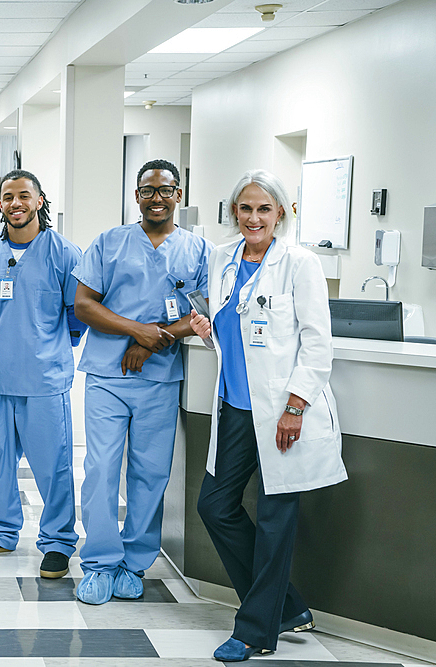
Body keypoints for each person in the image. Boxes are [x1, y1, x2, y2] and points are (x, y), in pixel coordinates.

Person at [188, 169, 347, 661]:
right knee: (215, 506)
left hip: (282, 411)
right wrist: (206, 329)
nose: (253, 218)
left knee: (277, 520)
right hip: (235, 407)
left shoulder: (300, 264)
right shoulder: (221, 258)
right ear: (233, 212)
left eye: (264, 208)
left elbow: (318, 345)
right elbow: (238, 337)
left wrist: (296, 405)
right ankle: (287, 606)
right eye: (245, 208)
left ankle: (256, 630)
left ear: (281, 214)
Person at [72, 159, 212, 605]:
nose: (157, 198)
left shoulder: (198, 250)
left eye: (166, 190)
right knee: (101, 470)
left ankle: (135, 562)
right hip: (107, 377)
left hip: (160, 379)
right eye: (148, 191)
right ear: (136, 196)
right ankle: (98, 563)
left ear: (179, 194)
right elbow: (84, 306)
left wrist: (155, 340)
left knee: (151, 474)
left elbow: (205, 314)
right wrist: (137, 330)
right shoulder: (110, 242)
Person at [0, 169, 86, 579]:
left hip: (45, 380)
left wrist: (46, 349)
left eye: (23, 196)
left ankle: (58, 541)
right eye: (8, 197)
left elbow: (77, 314)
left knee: (54, 466)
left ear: (40, 201)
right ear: (0, 205)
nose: (16, 203)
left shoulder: (63, 253)